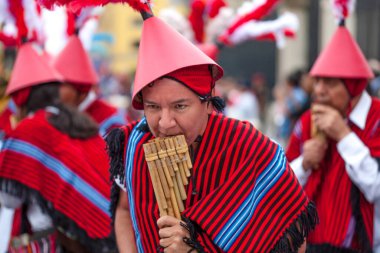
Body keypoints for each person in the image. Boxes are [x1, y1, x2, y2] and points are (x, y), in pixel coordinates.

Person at [106, 8, 317, 253]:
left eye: (180, 106)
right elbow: (123, 209)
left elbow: (295, 241)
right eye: (152, 107)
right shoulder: (134, 143)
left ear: (208, 103)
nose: (164, 123)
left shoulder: (250, 147)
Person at [0, 43, 115, 252]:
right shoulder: (75, 119)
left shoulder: (29, 130)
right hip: (98, 228)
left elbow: (9, 199)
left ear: (21, 99)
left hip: (49, 242)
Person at [286, 22, 380, 252]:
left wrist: (344, 136)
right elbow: (282, 184)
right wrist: (305, 163)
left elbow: (375, 189)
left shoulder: (377, 118)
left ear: (353, 87)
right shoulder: (308, 121)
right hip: (310, 243)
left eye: (329, 83)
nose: (318, 91)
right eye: (317, 81)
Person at [54, 35, 126, 137]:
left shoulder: (113, 123)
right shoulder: (59, 115)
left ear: (80, 90)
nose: (54, 91)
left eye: (61, 85)